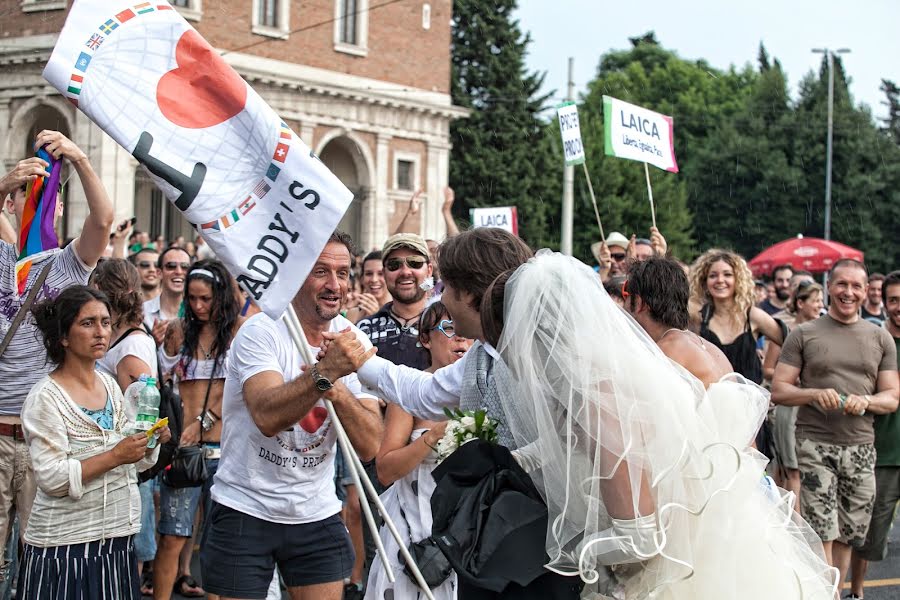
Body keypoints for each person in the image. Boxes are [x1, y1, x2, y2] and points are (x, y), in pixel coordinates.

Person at [326, 228, 583, 598]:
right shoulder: (479, 356)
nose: (440, 297)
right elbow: (422, 392)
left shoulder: (551, 354)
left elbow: (580, 439)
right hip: (492, 542)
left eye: (446, 286)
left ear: (470, 294)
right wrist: (359, 359)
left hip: (548, 547)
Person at [200, 231, 383, 600]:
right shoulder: (261, 331)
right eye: (321, 272)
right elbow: (267, 416)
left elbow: (370, 444)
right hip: (245, 506)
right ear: (297, 274)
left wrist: (339, 389)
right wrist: (324, 373)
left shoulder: (352, 340)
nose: (335, 285)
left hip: (315, 511)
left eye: (344, 273)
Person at [0, 130, 114, 585]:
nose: (34, 208)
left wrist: (80, 159)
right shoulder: (3, 257)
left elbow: (103, 220)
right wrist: (4, 185)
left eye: (45, 201)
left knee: (40, 565)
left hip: (41, 439)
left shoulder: (67, 265)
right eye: (24, 198)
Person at [20, 286, 169, 599]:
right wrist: (115, 455)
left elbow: (136, 462)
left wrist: (150, 441)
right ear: (63, 336)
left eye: (105, 322)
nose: (100, 332)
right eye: (87, 323)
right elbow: (52, 478)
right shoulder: (45, 398)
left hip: (116, 540)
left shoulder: (109, 385)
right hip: (64, 547)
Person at [771, 259, 900, 588]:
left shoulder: (880, 338)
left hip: (860, 447)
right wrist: (813, 393)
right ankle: (824, 593)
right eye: (842, 284)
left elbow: (891, 397)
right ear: (829, 287)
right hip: (815, 443)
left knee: (850, 533)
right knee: (821, 529)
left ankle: (836, 591)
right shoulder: (804, 333)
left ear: (865, 291)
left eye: (856, 286)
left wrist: (866, 401)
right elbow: (780, 390)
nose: (849, 292)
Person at [365, 301, 472, 600]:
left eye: (465, 330)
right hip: (414, 530)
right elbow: (385, 470)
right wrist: (431, 438)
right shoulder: (410, 393)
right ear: (425, 339)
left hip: (468, 531)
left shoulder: (479, 388)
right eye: (449, 328)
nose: (461, 338)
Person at [155, 259, 243, 600]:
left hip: (227, 452)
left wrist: (203, 421)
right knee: (172, 537)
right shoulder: (179, 330)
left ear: (221, 296)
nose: (198, 306)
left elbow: (242, 389)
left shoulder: (239, 330)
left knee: (221, 544)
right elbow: (162, 383)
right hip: (185, 453)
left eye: (205, 298)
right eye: (192, 298)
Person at [89, 259, 159, 592]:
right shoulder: (122, 338)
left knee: (118, 567)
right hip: (111, 463)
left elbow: (138, 417)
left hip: (122, 470)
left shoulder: (130, 349)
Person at [847, 270, 900, 600]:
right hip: (882, 451)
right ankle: (857, 593)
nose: (898, 307)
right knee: (867, 532)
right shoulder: (872, 340)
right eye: (894, 300)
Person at [623, 256, 732, 388]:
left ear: (640, 303)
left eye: (626, 295)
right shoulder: (712, 349)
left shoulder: (667, 350)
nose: (624, 304)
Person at [763, 281, 824, 512]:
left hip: (815, 409)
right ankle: (797, 527)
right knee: (791, 468)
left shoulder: (824, 330)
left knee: (809, 467)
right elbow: (768, 369)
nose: (820, 305)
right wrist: (792, 379)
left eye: (821, 300)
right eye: (815, 300)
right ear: (800, 303)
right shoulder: (786, 331)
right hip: (789, 406)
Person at [688, 249, 785, 385]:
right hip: (711, 401)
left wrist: (783, 378)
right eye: (713, 276)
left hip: (750, 402)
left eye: (727, 274)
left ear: (738, 279)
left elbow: (792, 343)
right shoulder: (698, 318)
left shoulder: (752, 316)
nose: (720, 280)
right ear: (705, 281)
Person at [356, 233, 433, 370]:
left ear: (429, 270)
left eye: (415, 263)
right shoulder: (363, 329)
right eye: (394, 264)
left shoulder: (447, 327)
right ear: (384, 273)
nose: (405, 272)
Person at [143, 245, 190, 346]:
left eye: (185, 267)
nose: (178, 271)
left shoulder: (200, 313)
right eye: (171, 266)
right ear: (159, 273)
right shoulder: (142, 312)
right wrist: (151, 343)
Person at [345, 250, 391, 324]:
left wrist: (376, 319)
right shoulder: (352, 314)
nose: (374, 279)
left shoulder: (400, 312)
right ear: (362, 278)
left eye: (380, 274)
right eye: (368, 274)